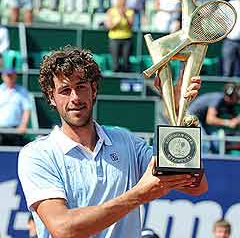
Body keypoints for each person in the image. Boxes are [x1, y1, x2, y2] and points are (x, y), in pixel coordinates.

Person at [18, 46, 208, 238]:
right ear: (51, 97)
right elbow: (64, 229)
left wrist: (176, 114)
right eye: (65, 90)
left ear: (93, 90)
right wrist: (138, 195)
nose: (75, 97)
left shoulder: (125, 140)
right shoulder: (37, 154)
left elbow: (195, 185)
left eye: (81, 86)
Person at [188, 83, 240, 153]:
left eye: (232, 96)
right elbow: (210, 120)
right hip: (191, 118)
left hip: (201, 120)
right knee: (204, 143)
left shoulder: (229, 104)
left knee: (214, 141)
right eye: (228, 96)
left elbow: (234, 120)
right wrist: (228, 123)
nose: (229, 98)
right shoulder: (217, 98)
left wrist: (235, 121)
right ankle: (202, 162)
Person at [0, 68, 32, 146]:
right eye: (7, 76)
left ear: (15, 76)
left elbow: (27, 109)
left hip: (15, 130)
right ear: (3, 77)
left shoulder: (22, 91)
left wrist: (23, 125)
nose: (9, 78)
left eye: (11, 76)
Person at [105, 0, 134, 72]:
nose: (122, 1)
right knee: (115, 64)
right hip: (114, 39)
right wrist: (117, 21)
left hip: (127, 39)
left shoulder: (130, 11)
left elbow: (131, 25)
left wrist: (124, 15)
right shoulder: (111, 11)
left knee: (126, 63)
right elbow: (109, 26)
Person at [222, 0, 240, 77]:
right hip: (229, 41)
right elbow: (222, 19)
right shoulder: (231, 4)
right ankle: (226, 89)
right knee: (227, 69)